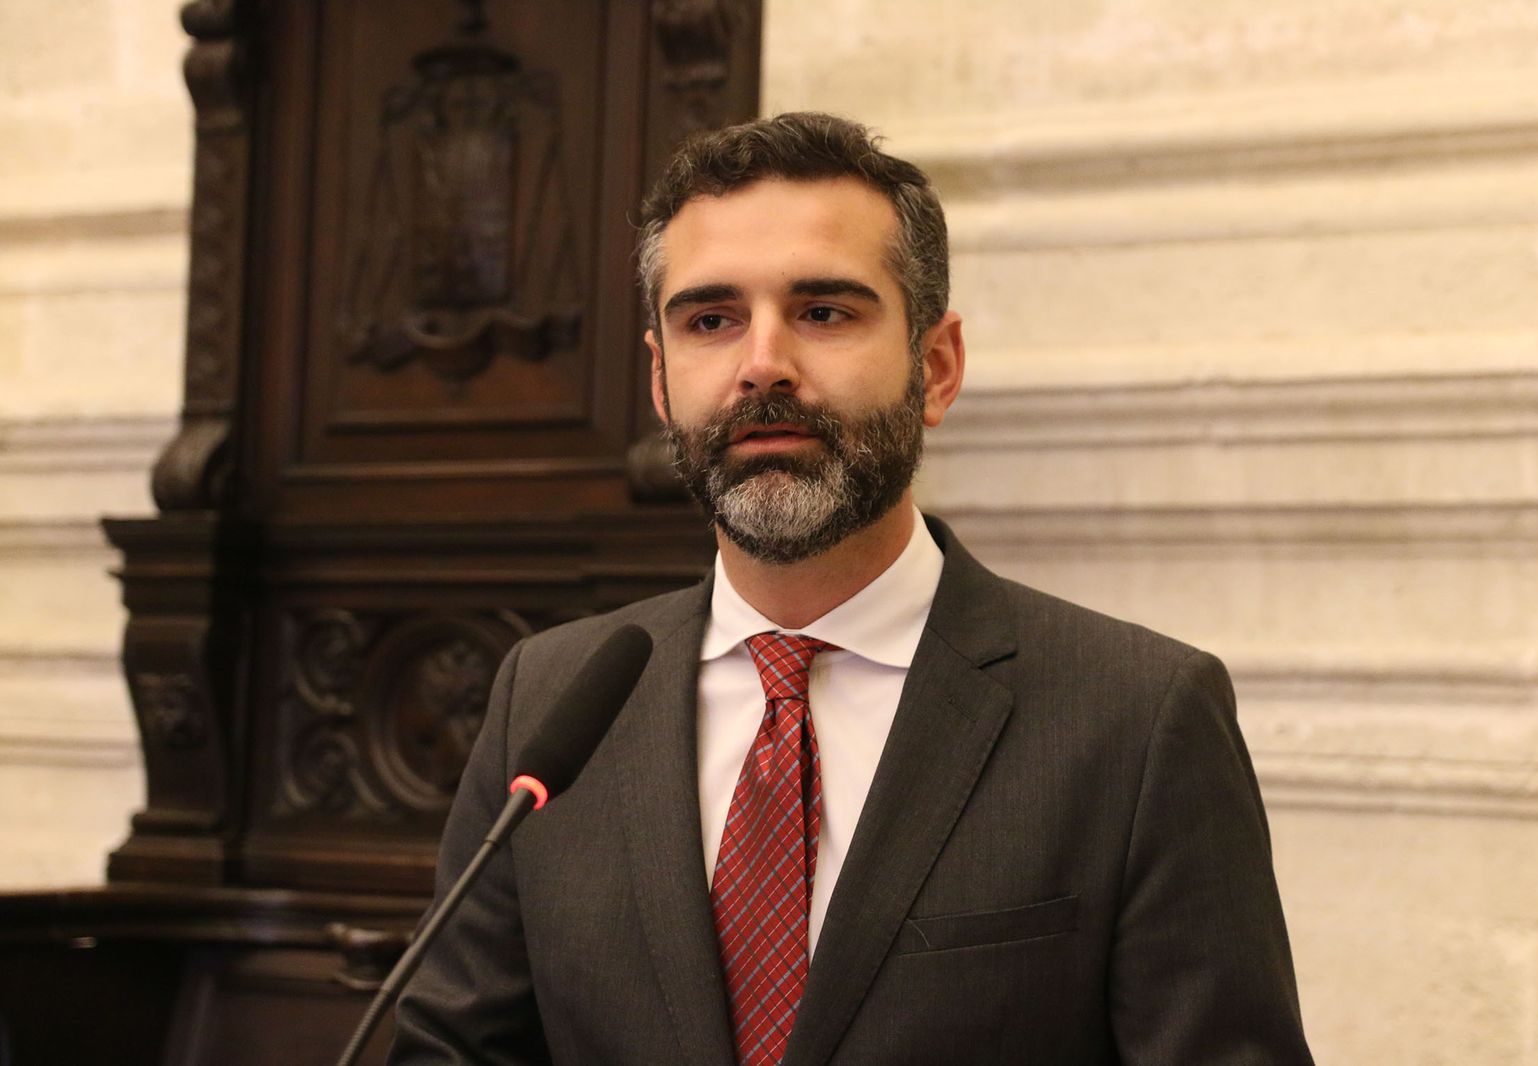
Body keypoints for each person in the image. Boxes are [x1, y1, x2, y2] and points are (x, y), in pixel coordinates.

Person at [390, 112, 1315, 1065]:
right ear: (661, 382)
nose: (762, 365)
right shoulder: (549, 698)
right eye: (711, 320)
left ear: (936, 367)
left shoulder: (1138, 717)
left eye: (825, 312)